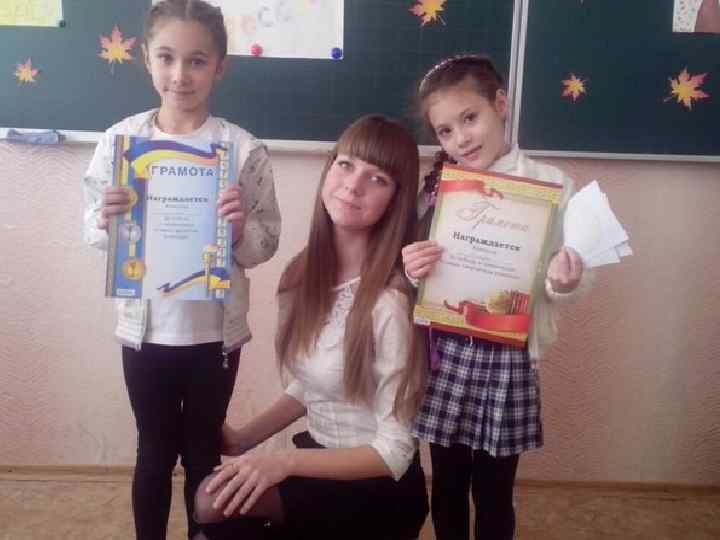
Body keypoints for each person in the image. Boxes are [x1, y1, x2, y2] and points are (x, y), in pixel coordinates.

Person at [82, 1, 281, 538]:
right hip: (145, 333)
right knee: (152, 452)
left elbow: (266, 242)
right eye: (167, 57)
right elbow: (93, 233)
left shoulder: (241, 150)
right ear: (146, 58)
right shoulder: (121, 144)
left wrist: (237, 231)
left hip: (214, 336)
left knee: (202, 454)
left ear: (220, 67)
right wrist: (107, 220)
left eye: (197, 60)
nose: (180, 74)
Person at [192, 115, 429, 540]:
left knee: (213, 506)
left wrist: (283, 461)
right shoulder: (300, 276)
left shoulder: (390, 302)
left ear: (395, 200)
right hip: (318, 458)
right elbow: (314, 384)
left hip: (376, 487)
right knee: (211, 503)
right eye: (346, 164)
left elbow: (394, 452)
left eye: (377, 178)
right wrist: (243, 440)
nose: (353, 185)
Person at [402, 54, 594, 540]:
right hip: (446, 353)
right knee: (447, 481)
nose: (461, 139)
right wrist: (411, 268)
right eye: (446, 131)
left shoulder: (552, 184)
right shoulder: (438, 189)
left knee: (494, 488)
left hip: (508, 356)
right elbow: (418, 277)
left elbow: (574, 274)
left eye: (470, 118)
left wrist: (563, 282)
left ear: (500, 105)